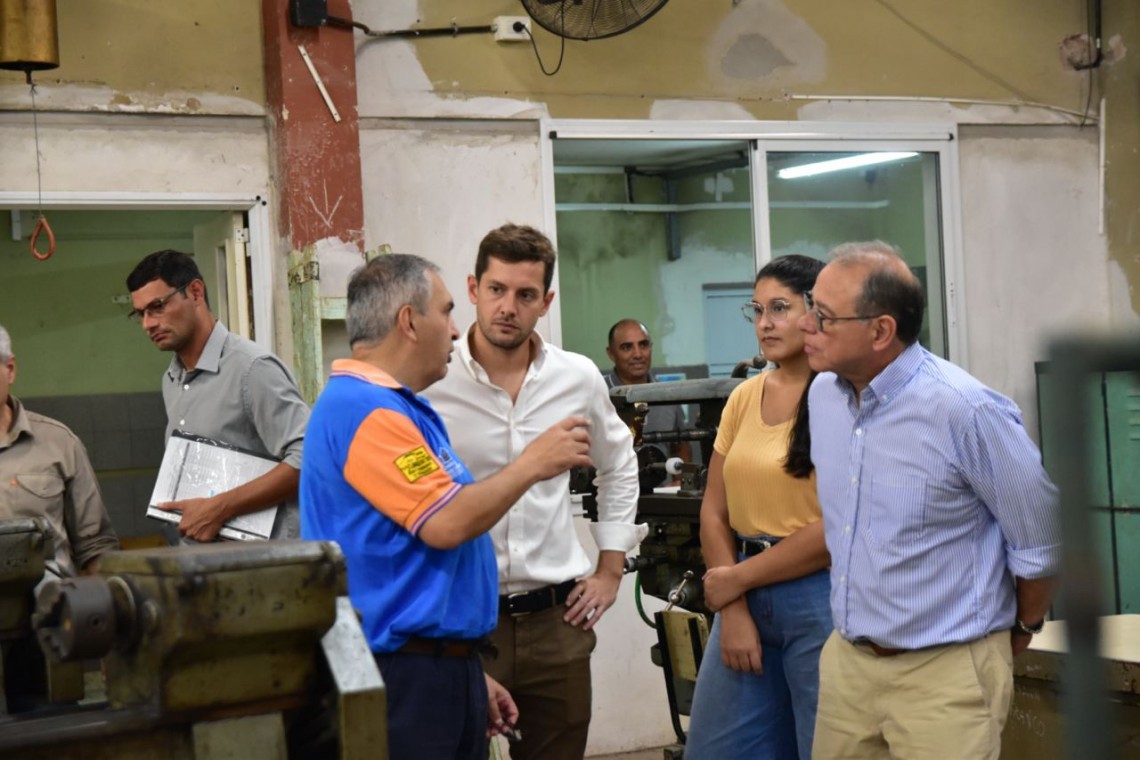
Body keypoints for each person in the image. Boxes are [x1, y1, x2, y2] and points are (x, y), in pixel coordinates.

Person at [299, 253, 593, 760]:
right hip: (400, 673)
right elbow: (446, 522)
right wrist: (532, 463)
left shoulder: (399, 409)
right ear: (409, 322)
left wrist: (464, 668)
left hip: (434, 666)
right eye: (447, 311)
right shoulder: (365, 411)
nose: (456, 331)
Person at [799, 241, 1061, 760]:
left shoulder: (964, 410)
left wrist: (1022, 628)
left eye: (824, 316)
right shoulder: (824, 396)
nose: (806, 324)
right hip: (849, 663)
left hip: (946, 673)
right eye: (812, 305)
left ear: (881, 331)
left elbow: (1043, 541)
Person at [424, 224, 643, 760]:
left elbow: (619, 463)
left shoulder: (577, 377)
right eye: (496, 290)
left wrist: (611, 568)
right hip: (461, 619)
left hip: (556, 622)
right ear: (473, 289)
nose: (508, 307)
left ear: (545, 302)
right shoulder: (432, 380)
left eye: (525, 295)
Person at [684, 255, 832, 760]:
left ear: (816, 311)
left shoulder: (842, 398)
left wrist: (736, 582)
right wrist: (733, 608)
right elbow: (713, 511)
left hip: (819, 598)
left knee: (823, 747)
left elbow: (836, 528)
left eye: (780, 308)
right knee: (714, 749)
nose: (765, 323)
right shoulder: (744, 397)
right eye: (757, 310)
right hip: (741, 591)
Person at [126, 250, 309, 542]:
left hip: (266, 561)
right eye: (140, 314)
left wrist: (220, 509)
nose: (148, 324)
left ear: (196, 292)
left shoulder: (252, 369)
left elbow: (308, 458)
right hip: (203, 560)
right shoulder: (172, 379)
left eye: (157, 307)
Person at [0, 325, 118, 578]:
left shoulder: (59, 443)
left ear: (10, 370)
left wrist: (103, 595)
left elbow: (95, 546)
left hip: (51, 599)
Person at [604, 319, 691, 464]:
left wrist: (680, 475)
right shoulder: (597, 393)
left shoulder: (668, 396)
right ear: (611, 353)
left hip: (661, 479)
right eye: (627, 347)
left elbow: (681, 448)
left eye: (643, 345)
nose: (638, 354)